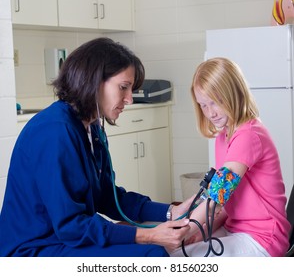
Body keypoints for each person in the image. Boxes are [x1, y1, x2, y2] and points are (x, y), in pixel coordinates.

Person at [0, 37, 194, 257]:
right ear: (93, 81)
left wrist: (171, 212)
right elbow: (71, 226)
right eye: (123, 88)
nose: (130, 99)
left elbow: (107, 197)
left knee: (150, 248)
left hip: (62, 239)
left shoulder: (91, 128)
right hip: (33, 249)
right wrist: (147, 235)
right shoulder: (54, 132)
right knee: (151, 254)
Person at [171, 57, 291, 257]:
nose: (210, 113)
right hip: (237, 228)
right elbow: (228, 197)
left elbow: (219, 193)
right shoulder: (224, 136)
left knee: (177, 257)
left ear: (233, 94)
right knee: (181, 251)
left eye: (215, 103)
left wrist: (189, 228)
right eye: (203, 105)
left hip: (263, 238)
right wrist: (203, 230)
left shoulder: (248, 135)